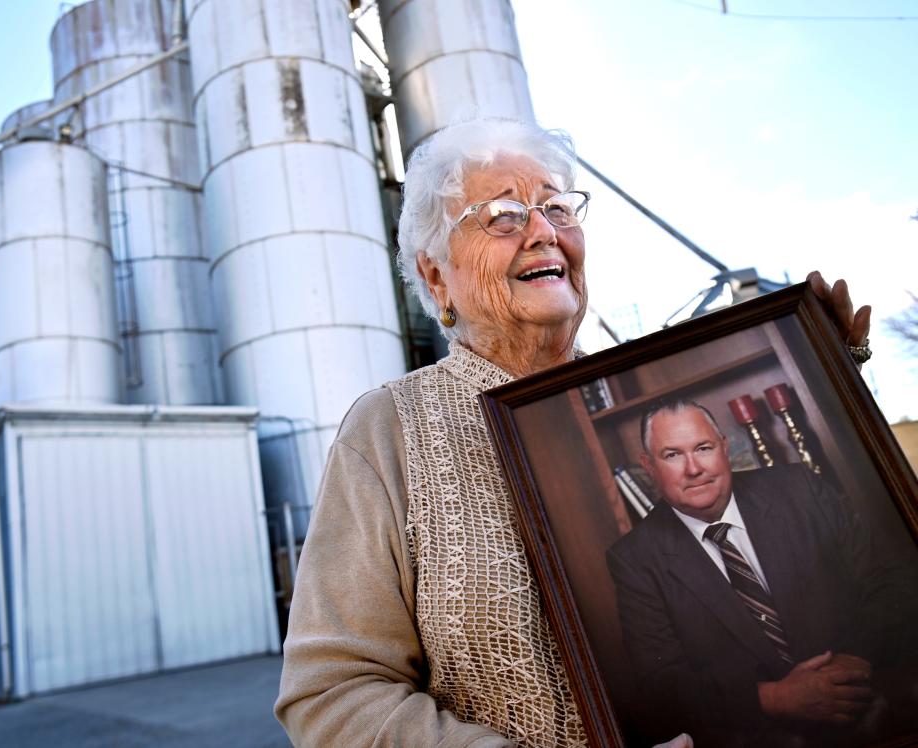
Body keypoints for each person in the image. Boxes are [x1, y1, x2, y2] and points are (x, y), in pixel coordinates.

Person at [274, 116, 870, 747]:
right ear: (435, 276)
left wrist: (831, 380)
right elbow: (331, 696)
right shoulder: (389, 430)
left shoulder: (657, 388)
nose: (542, 231)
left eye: (557, 207)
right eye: (502, 214)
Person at [607, 398, 918, 747]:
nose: (693, 468)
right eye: (672, 455)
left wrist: (855, 660)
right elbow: (661, 684)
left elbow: (890, 580)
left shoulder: (801, 489)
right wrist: (775, 697)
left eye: (703, 447)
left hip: (873, 700)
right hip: (759, 737)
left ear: (724, 447)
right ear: (648, 466)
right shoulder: (634, 558)